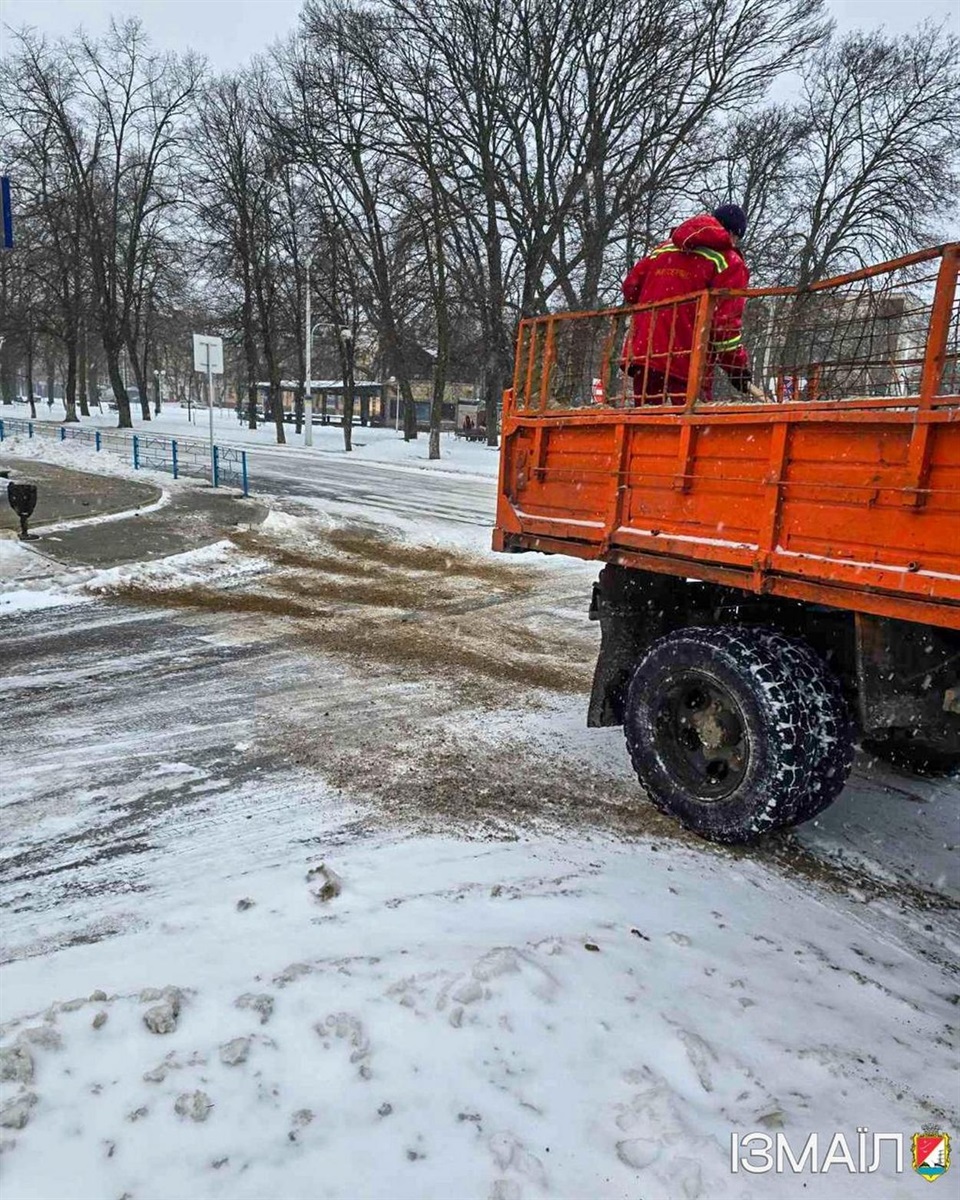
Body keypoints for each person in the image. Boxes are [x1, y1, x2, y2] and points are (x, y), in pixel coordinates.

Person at [622, 204, 764, 404]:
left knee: (645, 426)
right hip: (688, 361)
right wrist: (737, 368)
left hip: (645, 354)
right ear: (732, 233)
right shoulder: (729, 262)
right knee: (691, 428)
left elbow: (630, 289)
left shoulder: (662, 250)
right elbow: (724, 326)